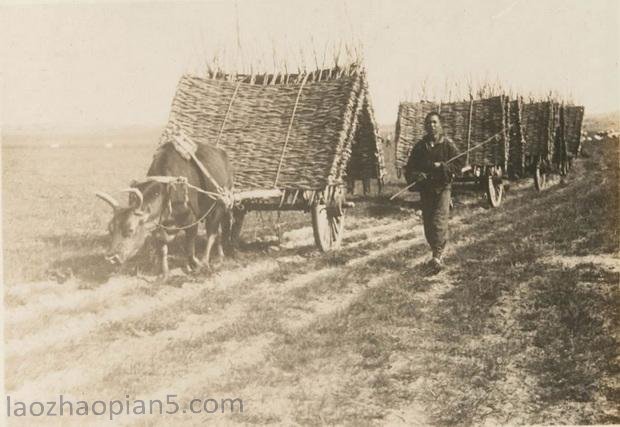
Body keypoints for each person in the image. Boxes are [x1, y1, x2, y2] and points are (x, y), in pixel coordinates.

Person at [404, 112, 462, 272]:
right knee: (428, 223)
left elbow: (458, 165)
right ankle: (435, 250)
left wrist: (442, 166)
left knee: (439, 220)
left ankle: (437, 256)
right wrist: (417, 175)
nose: (432, 125)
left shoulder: (447, 144)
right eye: (429, 123)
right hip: (426, 189)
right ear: (425, 126)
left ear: (440, 125)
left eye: (435, 122)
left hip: (443, 187)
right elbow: (409, 169)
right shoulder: (420, 147)